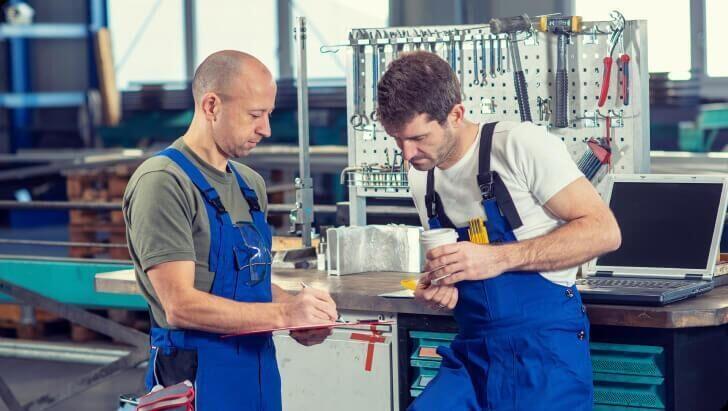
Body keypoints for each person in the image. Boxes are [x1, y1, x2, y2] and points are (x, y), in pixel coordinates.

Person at [376, 51, 621, 410]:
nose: (407, 153)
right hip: (474, 352)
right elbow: (460, 268)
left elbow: (604, 231)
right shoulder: (420, 176)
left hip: (543, 350)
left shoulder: (519, 144)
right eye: (397, 140)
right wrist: (441, 286)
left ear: (455, 115)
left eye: (418, 138)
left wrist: (497, 259)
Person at [123, 50, 338, 410]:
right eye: (255, 115)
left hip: (257, 372)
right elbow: (180, 305)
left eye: (268, 114)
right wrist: (283, 315)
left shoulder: (249, 184)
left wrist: (299, 311)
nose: (265, 129)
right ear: (211, 106)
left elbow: (247, 282)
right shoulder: (163, 182)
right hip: (197, 379)